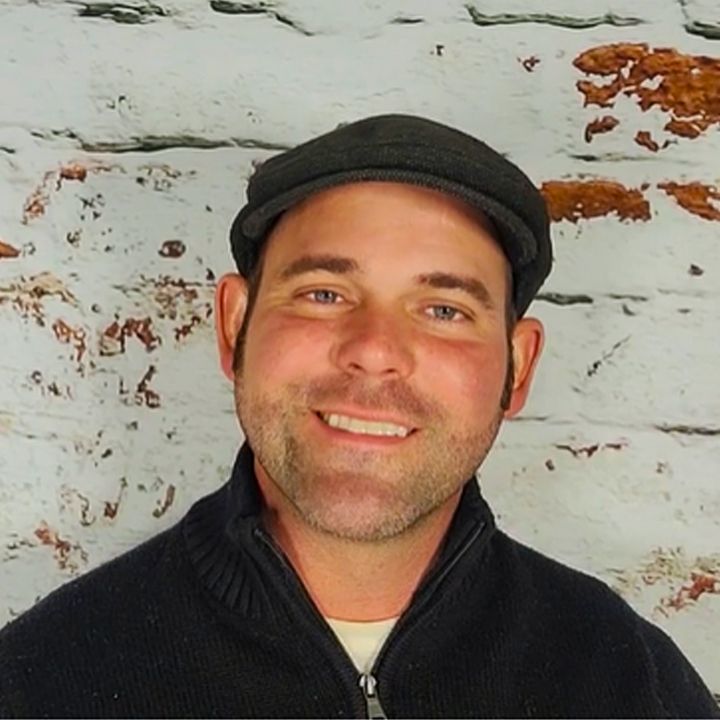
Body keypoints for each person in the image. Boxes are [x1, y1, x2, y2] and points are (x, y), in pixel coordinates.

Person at [0, 114, 717, 719]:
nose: (374, 351)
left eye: (444, 310)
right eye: (323, 294)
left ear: (518, 368)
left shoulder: (632, 684)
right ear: (234, 326)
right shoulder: (41, 681)